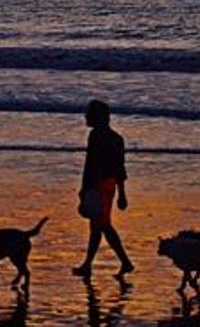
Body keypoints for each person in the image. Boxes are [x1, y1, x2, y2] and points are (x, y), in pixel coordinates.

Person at [72, 99, 134, 278]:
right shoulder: (117, 138)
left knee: (102, 225)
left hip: (98, 184)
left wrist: (85, 188)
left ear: (97, 117)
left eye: (88, 113)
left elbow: (90, 165)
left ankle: (125, 262)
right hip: (111, 184)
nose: (85, 116)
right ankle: (88, 264)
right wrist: (122, 193)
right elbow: (120, 168)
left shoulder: (96, 136)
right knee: (98, 225)